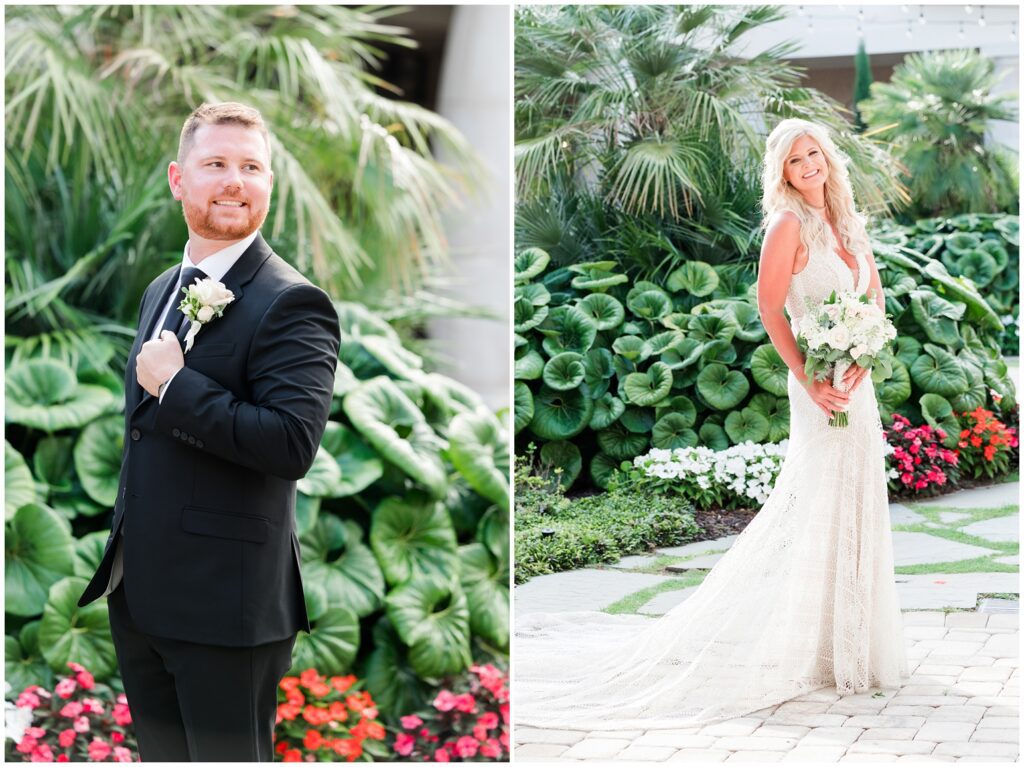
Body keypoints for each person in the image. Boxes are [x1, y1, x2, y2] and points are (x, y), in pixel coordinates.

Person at [514, 118, 909, 731]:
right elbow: (770, 307)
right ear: (781, 171)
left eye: (815, 154)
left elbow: (874, 300)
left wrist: (859, 363)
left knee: (859, 503)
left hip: (856, 389)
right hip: (815, 388)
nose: (808, 165)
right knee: (817, 506)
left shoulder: (849, 223)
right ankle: (813, 647)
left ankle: (852, 645)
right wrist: (810, 377)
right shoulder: (787, 225)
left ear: (829, 159)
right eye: (795, 159)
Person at [77, 102, 341, 760]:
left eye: (252, 167)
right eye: (216, 163)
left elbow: (290, 444)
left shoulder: (292, 301)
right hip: (143, 598)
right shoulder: (163, 288)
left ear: (270, 184)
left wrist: (176, 385)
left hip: (228, 608)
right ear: (178, 179)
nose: (235, 180)